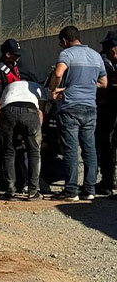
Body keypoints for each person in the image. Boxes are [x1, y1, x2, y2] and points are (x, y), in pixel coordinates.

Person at [47, 26, 107, 201]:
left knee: (71, 149)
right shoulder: (96, 56)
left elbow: (58, 73)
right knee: (89, 148)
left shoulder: (67, 54)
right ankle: (89, 189)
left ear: (65, 41)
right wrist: (87, 86)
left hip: (70, 107)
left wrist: (54, 88)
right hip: (90, 107)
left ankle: (71, 190)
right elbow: (103, 82)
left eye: (61, 43)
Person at [0, 39, 25, 192]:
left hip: (17, 114)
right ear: (7, 54)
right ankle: (4, 180)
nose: (17, 58)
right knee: (5, 148)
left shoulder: (14, 66)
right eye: (15, 55)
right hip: (5, 115)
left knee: (16, 147)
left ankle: (18, 179)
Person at [96, 31, 117, 198]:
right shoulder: (110, 65)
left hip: (109, 112)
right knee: (107, 146)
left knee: (106, 145)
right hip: (109, 113)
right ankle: (108, 181)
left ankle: (108, 182)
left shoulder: (109, 66)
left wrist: (103, 100)